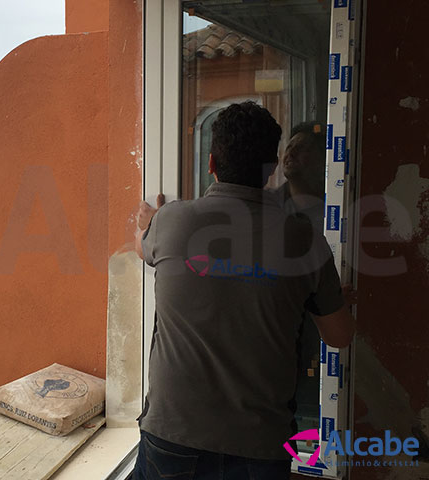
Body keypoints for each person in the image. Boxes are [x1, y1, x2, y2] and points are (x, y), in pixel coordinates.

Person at [132, 102, 355, 480]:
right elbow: (339, 336)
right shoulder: (304, 239)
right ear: (271, 172)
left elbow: (141, 246)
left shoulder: (172, 221)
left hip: (172, 436)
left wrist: (151, 222)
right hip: (259, 447)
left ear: (211, 163)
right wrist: (331, 297)